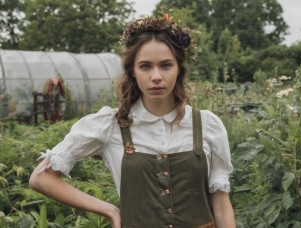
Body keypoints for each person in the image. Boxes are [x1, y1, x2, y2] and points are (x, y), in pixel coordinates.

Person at [29, 9, 235, 228]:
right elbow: (41, 178)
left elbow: (221, 203)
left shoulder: (206, 125)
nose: (156, 76)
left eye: (166, 65)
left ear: (179, 70)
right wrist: (109, 210)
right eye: (145, 66)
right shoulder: (110, 126)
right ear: (133, 71)